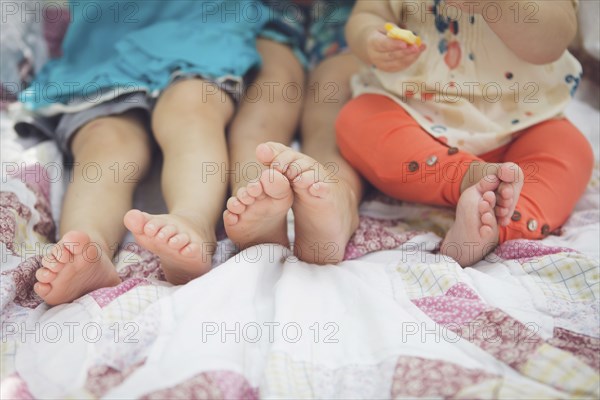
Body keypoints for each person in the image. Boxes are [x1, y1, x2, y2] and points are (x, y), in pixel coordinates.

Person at [16, 0, 283, 305]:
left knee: (191, 111)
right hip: (104, 50)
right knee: (105, 141)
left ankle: (193, 220)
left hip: (200, 32)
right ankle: (88, 245)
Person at [334, 0, 594, 266]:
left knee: (571, 150)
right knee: (357, 120)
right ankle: (468, 178)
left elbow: (551, 42)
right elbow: (368, 14)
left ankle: (494, 225)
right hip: (418, 114)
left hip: (523, 121)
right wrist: (371, 39)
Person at [223, 0, 364, 264]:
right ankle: (255, 193)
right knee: (271, 86)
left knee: (334, 94)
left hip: (355, 17)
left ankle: (339, 198)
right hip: (270, 13)